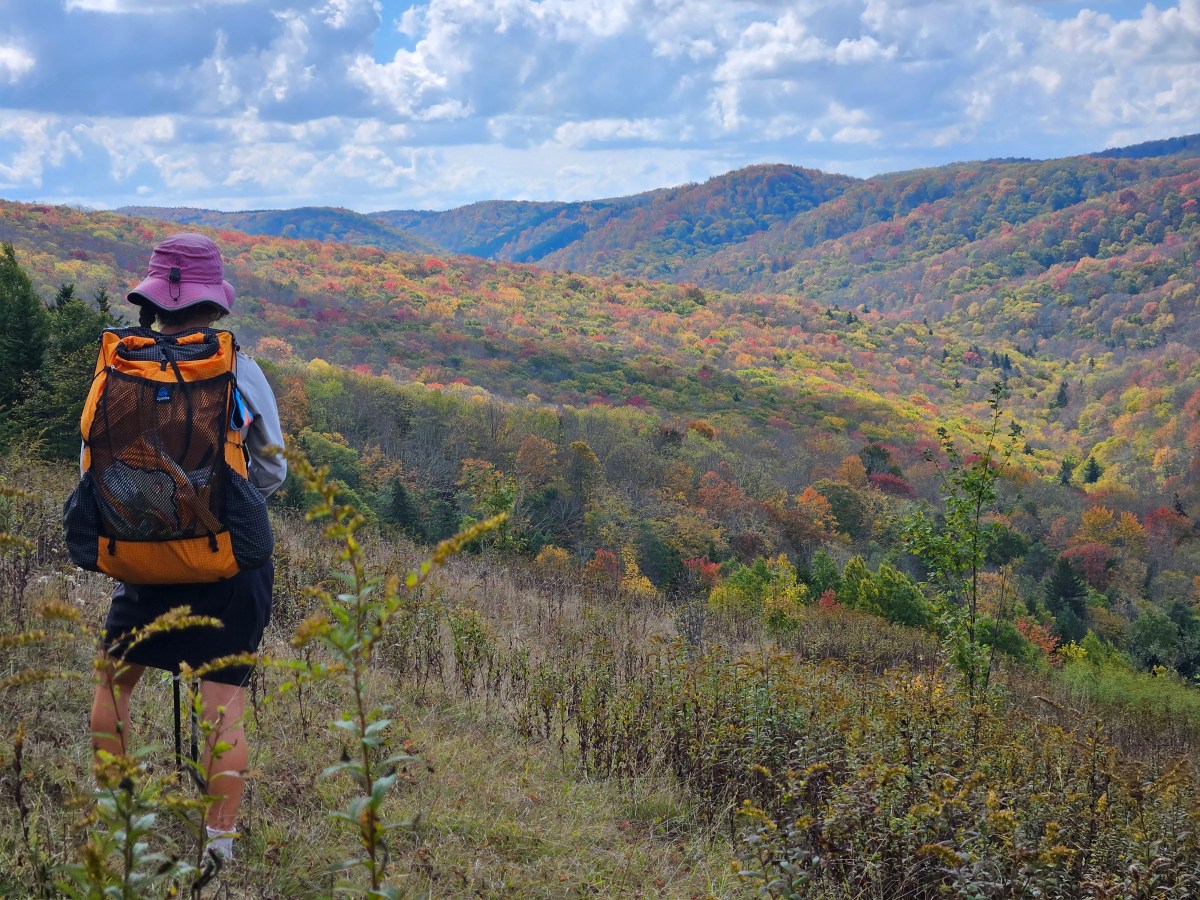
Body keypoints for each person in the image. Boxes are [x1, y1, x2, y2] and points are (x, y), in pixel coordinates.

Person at [88, 233, 285, 864]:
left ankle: (120, 822)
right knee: (222, 702)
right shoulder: (239, 370)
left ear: (153, 300)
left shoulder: (119, 365)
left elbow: (92, 462)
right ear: (214, 303)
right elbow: (272, 473)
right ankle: (218, 848)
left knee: (114, 686)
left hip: (140, 561)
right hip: (225, 561)